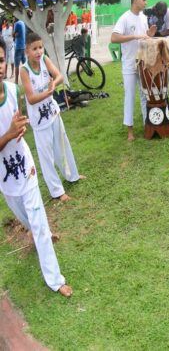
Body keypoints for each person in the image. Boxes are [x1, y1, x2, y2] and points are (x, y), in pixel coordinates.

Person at [0, 39, 73, 296]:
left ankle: (55, 279)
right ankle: (37, 232)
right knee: (27, 219)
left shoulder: (11, 89)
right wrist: (9, 135)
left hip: (26, 168)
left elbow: (18, 116)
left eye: (0, 60)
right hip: (6, 179)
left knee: (39, 221)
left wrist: (20, 126)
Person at [20, 32, 85, 201]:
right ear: (27, 51)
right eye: (34, 49)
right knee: (46, 156)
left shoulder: (45, 60)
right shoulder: (24, 70)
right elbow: (31, 98)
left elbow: (60, 76)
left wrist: (53, 84)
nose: (39, 51)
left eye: (40, 47)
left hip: (53, 112)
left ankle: (73, 175)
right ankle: (57, 192)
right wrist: (49, 92)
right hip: (39, 121)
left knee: (63, 145)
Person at [111, 0, 157, 141]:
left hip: (143, 63)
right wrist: (133, 36)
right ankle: (130, 131)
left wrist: (149, 35)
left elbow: (144, 38)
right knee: (129, 96)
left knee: (145, 95)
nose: (145, 2)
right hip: (129, 65)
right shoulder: (125, 18)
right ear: (135, 0)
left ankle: (147, 125)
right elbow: (114, 38)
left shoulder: (143, 18)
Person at [13, 17, 26, 84]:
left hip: (18, 46)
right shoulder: (22, 22)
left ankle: (16, 81)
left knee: (17, 65)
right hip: (23, 46)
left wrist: (13, 23)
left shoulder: (17, 24)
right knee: (25, 64)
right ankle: (27, 79)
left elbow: (14, 34)